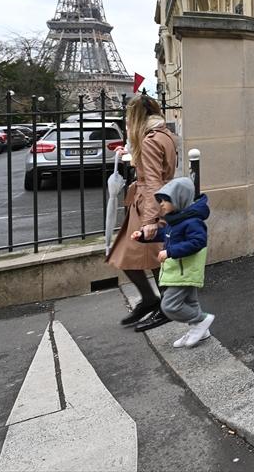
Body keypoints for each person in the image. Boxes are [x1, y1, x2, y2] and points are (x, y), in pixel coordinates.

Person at [107, 94, 177, 331]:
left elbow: (153, 182)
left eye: (128, 118)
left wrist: (151, 219)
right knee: (132, 255)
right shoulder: (163, 134)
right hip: (153, 203)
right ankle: (153, 301)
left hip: (149, 206)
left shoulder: (149, 140)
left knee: (149, 257)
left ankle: (163, 305)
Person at [134, 177, 214, 348]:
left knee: (169, 306)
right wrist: (143, 237)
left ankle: (201, 320)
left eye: (165, 200)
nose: (161, 204)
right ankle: (201, 330)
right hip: (181, 270)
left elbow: (198, 242)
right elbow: (165, 235)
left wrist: (170, 252)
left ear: (179, 199)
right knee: (191, 302)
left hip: (184, 271)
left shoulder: (192, 221)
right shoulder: (176, 219)